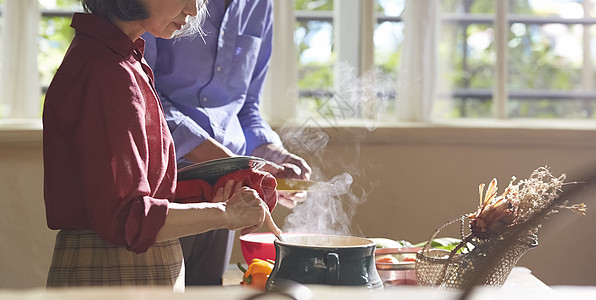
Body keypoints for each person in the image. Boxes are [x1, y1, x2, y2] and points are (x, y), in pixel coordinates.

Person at [42, 0, 281, 291]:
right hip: (113, 271)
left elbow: (141, 197)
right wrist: (225, 214)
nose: (194, 10)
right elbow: (126, 218)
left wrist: (209, 197)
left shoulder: (123, 61)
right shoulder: (105, 71)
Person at [142, 0, 312, 286]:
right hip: (161, 183)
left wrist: (273, 154)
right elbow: (143, 95)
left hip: (226, 187)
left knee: (206, 289)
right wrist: (235, 164)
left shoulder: (260, 6)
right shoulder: (171, 4)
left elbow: (246, 106)